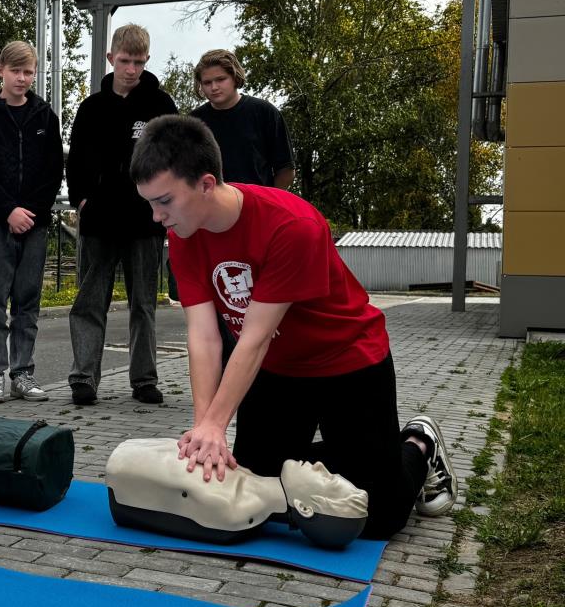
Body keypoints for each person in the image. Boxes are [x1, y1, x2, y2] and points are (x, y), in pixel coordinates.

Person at [128, 114, 457, 539]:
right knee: (250, 486)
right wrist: (205, 427)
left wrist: (217, 423)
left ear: (206, 184)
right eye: (149, 203)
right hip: (279, 372)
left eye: (165, 201)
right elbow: (205, 336)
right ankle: (351, 459)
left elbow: (256, 336)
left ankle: (416, 444)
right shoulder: (185, 234)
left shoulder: (291, 226)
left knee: (375, 517)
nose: (156, 216)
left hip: (347, 361)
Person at [66, 23, 178, 407]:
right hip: (98, 221)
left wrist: (164, 204)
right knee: (89, 301)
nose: (131, 69)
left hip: (145, 222)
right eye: (125, 61)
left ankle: (144, 379)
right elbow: (75, 160)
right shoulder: (91, 108)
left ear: (147, 61)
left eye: (139, 62)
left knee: (143, 303)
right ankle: (84, 377)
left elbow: (175, 157)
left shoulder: (161, 106)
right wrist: (81, 200)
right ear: (112, 58)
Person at [0, 41, 64, 402]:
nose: (22, 78)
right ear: (1, 70)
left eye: (28, 72)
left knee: (27, 301)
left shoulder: (45, 117)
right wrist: (8, 210)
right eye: (16, 71)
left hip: (34, 223)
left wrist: (29, 212)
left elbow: (53, 173)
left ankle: (23, 373)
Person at [106, 438, 369, 549]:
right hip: (133, 457)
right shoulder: (248, 490)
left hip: (123, 468)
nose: (321, 467)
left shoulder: (234, 509)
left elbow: (170, 486)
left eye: (328, 480)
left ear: (305, 508)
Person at [190, 50, 294, 190]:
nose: (214, 87)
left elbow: (286, 170)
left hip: (258, 206)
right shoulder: (193, 123)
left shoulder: (265, 112)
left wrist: (267, 204)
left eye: (221, 79)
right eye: (207, 82)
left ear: (235, 77)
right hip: (210, 208)